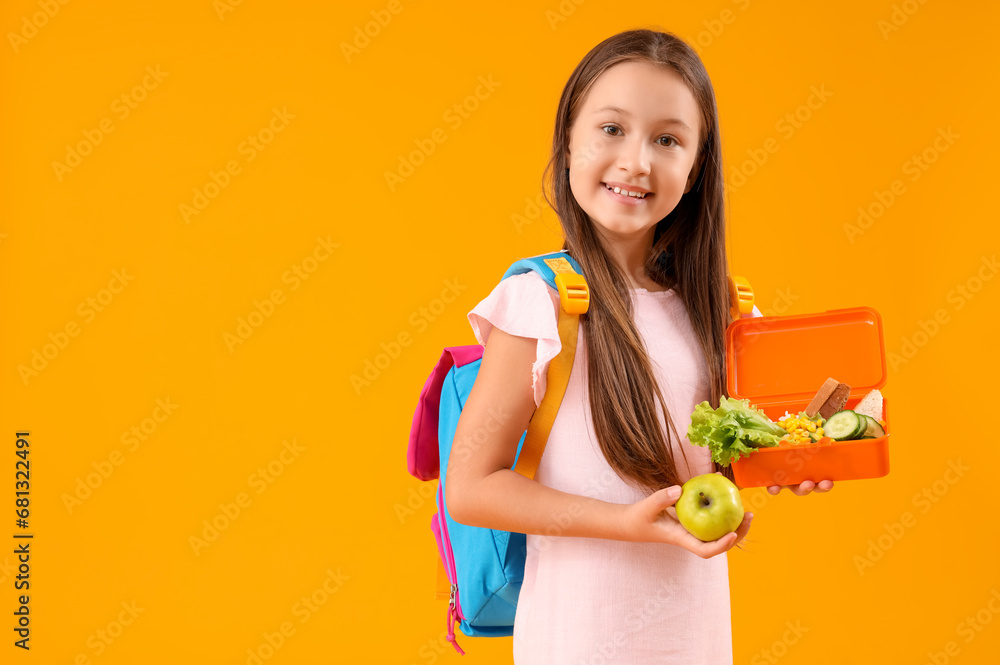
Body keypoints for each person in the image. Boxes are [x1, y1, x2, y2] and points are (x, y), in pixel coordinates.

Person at [444, 28, 834, 664]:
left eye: (668, 140)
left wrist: (794, 464)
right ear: (568, 138)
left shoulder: (726, 310)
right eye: (611, 129)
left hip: (697, 641)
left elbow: (750, 451)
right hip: (577, 642)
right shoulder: (540, 302)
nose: (636, 161)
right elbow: (470, 487)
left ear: (696, 166)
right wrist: (622, 524)